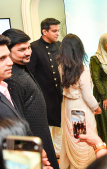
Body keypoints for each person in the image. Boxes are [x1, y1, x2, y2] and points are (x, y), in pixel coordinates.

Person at [2, 29, 59, 169]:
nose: (28, 52)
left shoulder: (20, 69)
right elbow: (18, 120)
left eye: (28, 48)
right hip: (33, 142)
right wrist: (33, 148)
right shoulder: (12, 79)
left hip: (39, 138)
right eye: (22, 50)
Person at [57, 33, 101, 169]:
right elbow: (87, 96)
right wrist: (96, 108)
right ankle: (84, 164)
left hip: (68, 106)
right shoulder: (83, 70)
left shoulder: (61, 67)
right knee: (84, 136)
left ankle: (74, 163)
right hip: (81, 107)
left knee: (74, 135)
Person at [27, 18, 63, 157]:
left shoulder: (60, 45)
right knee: (44, 129)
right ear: (44, 31)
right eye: (54, 31)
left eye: (58, 31)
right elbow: (30, 74)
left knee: (59, 128)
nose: (57, 34)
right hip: (42, 96)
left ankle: (59, 153)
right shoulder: (34, 47)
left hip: (59, 95)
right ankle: (46, 155)